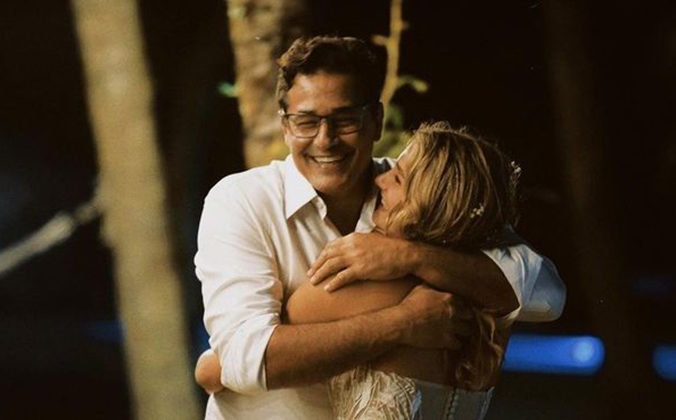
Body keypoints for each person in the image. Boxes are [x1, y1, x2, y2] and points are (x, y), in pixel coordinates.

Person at [195, 35, 565, 419]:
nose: (325, 139)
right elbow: (247, 360)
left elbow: (545, 293)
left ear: (376, 120)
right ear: (285, 126)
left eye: (344, 120)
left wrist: (408, 256)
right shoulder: (242, 201)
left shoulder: (422, 194)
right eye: (306, 121)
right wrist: (402, 323)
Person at [198, 121, 529, 418]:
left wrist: (208, 364)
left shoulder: (354, 285)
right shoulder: (492, 304)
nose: (380, 179)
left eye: (398, 178)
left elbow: (236, 365)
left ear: (427, 204)